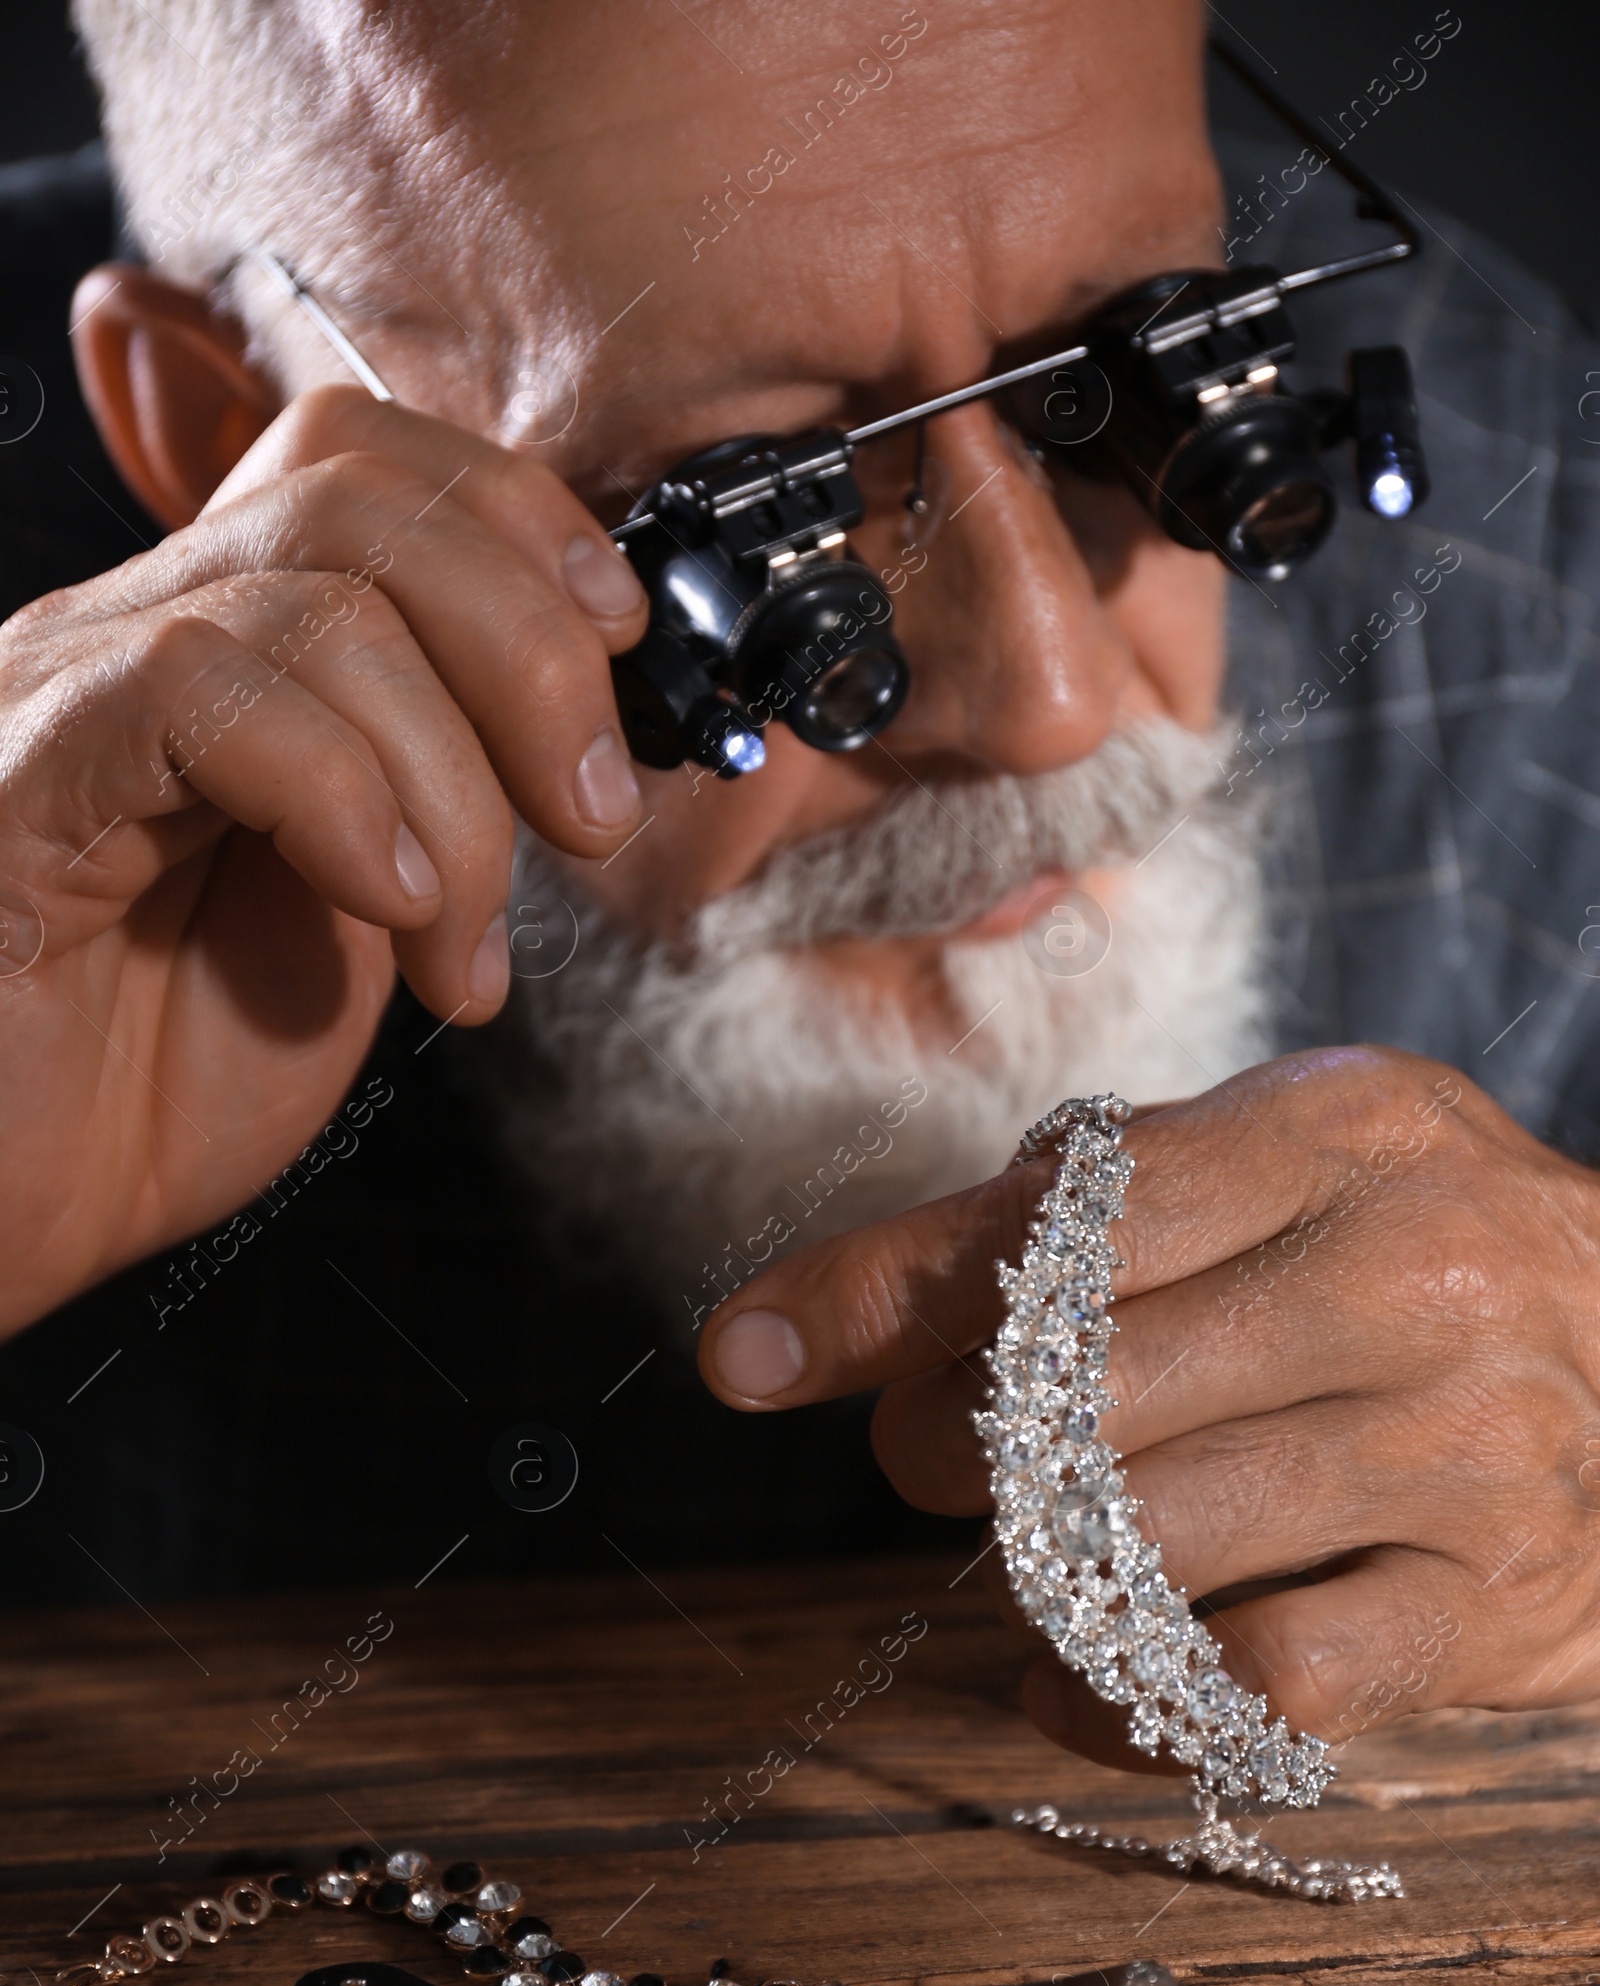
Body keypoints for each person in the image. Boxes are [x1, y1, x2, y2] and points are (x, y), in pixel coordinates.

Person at [1, 0, 1597, 1766]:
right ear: (225, 432)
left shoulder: (1500, 492)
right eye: (743, 511)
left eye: (1112, 395)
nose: (1049, 704)